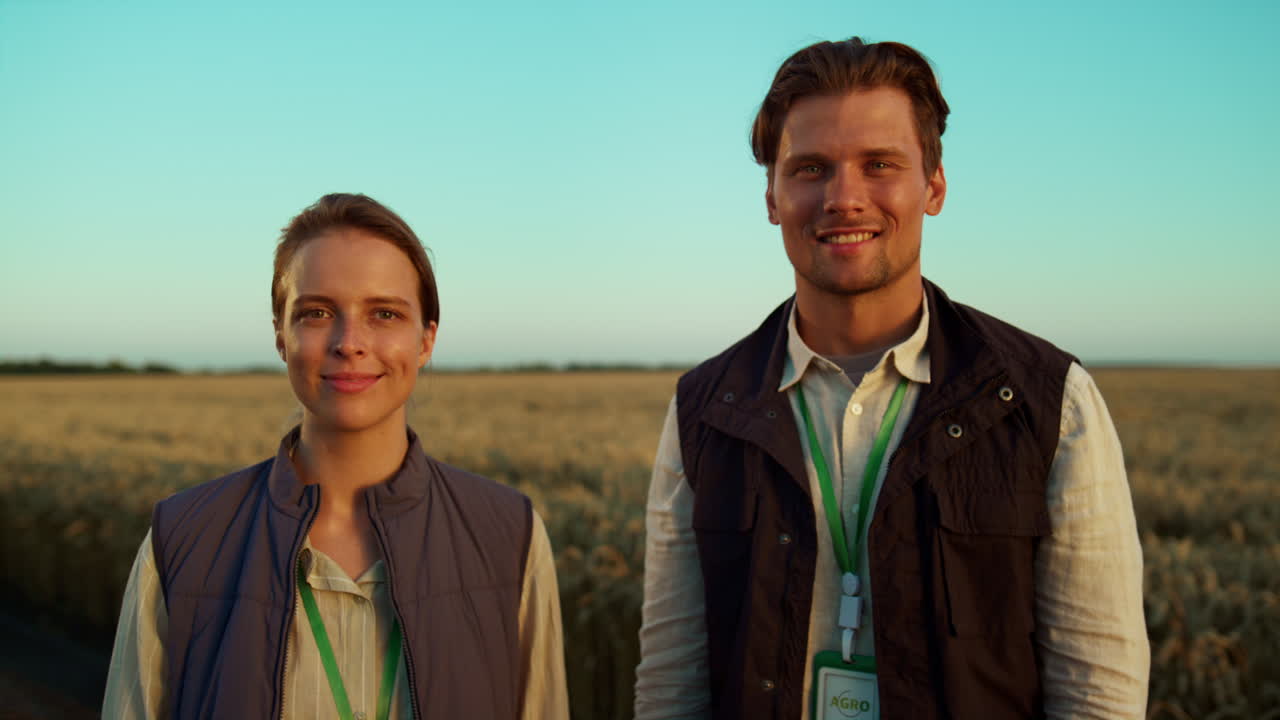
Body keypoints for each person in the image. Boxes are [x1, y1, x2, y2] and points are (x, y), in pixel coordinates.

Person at [634, 38, 1149, 720]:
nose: (844, 198)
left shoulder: (1048, 400)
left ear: (933, 186)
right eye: (810, 169)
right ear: (771, 196)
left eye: (879, 165)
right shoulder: (705, 409)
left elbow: (1097, 690)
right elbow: (672, 684)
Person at [103, 193, 568, 719]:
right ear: (281, 335)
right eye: (318, 312)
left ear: (426, 340)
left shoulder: (509, 536)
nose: (350, 342)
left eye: (385, 313)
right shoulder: (183, 540)